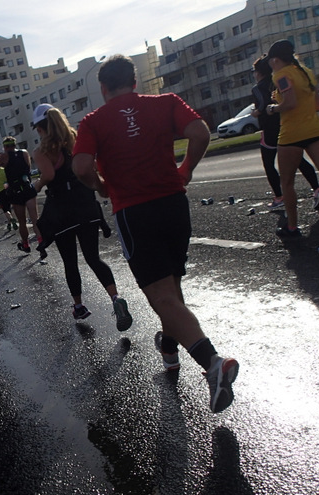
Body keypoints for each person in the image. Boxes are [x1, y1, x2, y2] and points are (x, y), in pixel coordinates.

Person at [72, 54, 238, 412]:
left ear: (103, 88)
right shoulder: (165, 103)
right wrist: (187, 168)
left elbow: (81, 165)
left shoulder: (93, 120)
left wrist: (101, 185)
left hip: (135, 210)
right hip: (173, 204)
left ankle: (213, 364)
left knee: (161, 297)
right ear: (135, 81)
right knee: (172, 287)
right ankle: (168, 345)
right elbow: (199, 132)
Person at [31, 104, 133, 331]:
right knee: (93, 257)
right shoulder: (75, 139)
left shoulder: (41, 151)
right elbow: (90, 165)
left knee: (70, 262)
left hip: (62, 212)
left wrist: (35, 185)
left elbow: (47, 175)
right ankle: (116, 298)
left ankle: (78, 306)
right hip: (85, 205)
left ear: (40, 128)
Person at [264, 39, 319, 237]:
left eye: (269, 60)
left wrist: (273, 108)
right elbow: (317, 104)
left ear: (275, 60)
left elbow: (290, 102)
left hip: (292, 134)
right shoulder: (306, 72)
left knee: (287, 182)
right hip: (316, 130)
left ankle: (292, 226)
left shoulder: (281, 76)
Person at [250, 55, 319, 210]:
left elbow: (265, 103)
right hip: (288, 125)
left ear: (258, 72)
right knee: (299, 160)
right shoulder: (281, 79)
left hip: (271, 130)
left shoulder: (259, 87)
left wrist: (257, 112)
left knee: (269, 165)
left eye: (254, 71)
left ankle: (280, 198)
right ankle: (317, 189)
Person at [0, 136, 41, 253]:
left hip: (16, 191)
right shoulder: (24, 153)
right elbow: (27, 168)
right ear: (15, 145)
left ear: (5, 147)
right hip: (27, 187)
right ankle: (41, 242)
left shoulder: (3, 156)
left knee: (22, 222)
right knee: (35, 219)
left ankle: (25, 244)